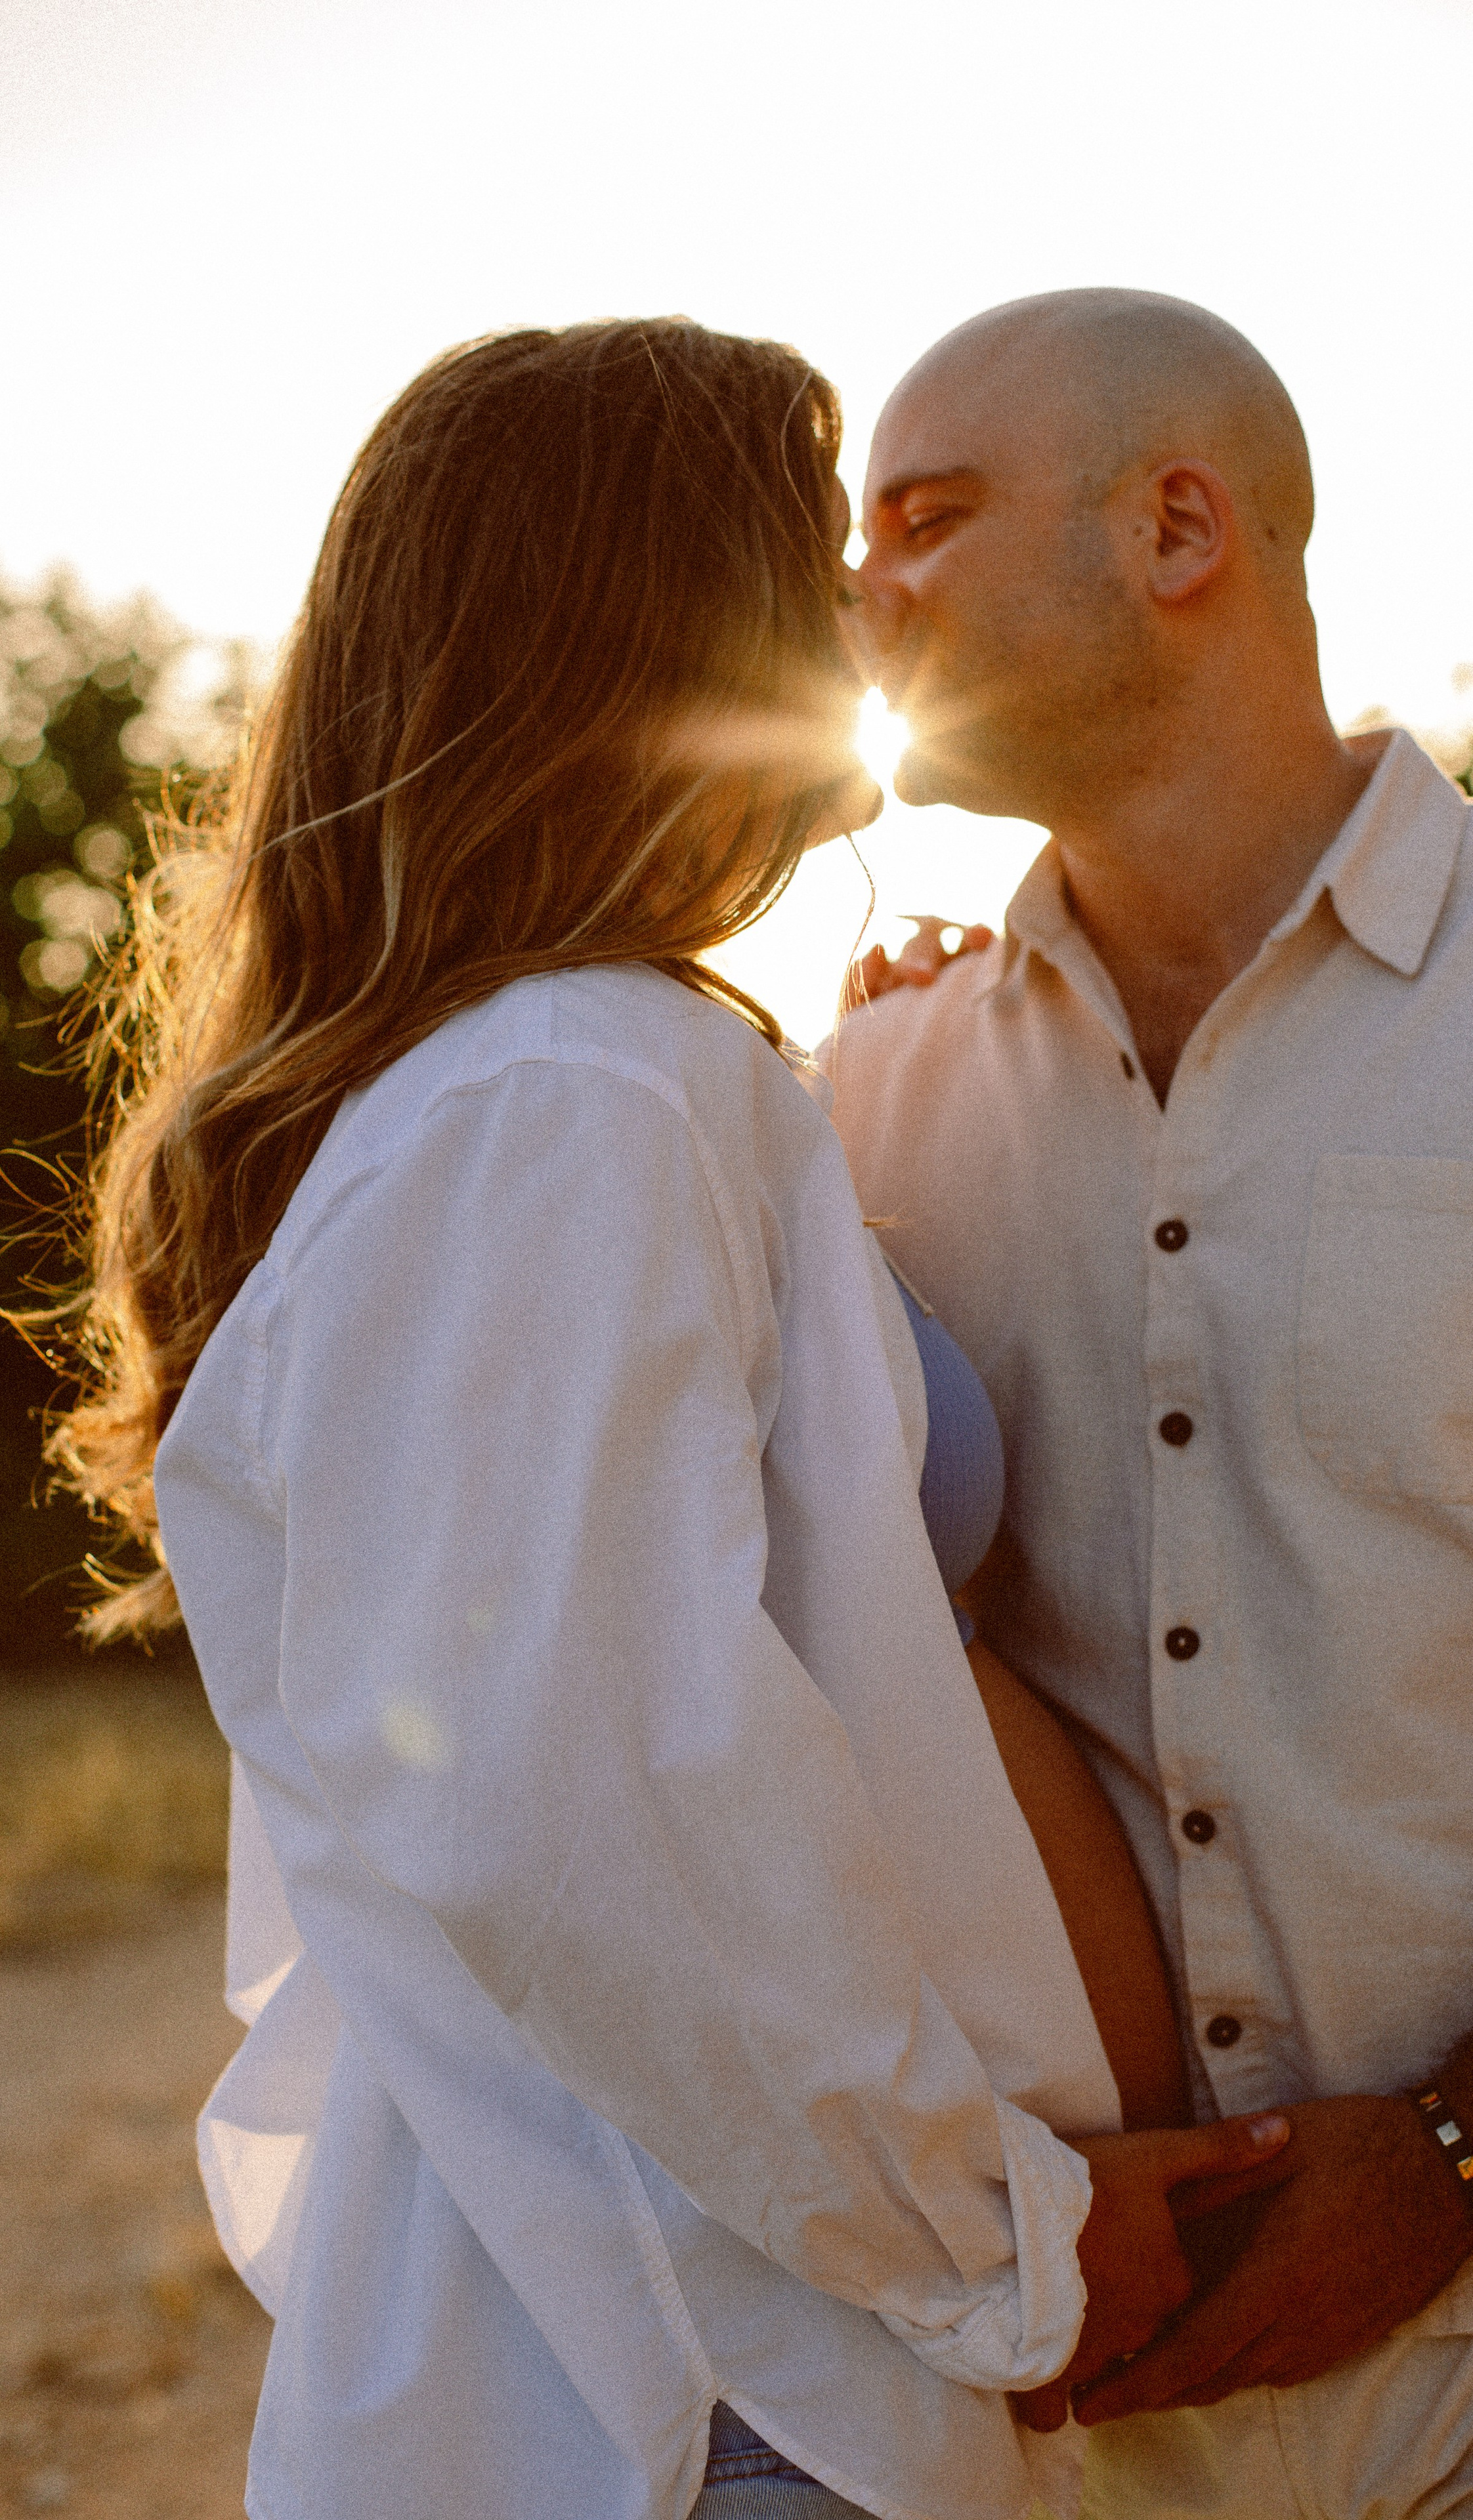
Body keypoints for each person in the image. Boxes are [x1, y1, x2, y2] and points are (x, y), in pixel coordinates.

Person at [35, 318, 1287, 2520]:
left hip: (757, 2356)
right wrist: (1002, 2243)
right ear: (657, 621)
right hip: (704, 2389)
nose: (865, 614)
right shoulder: (567, 1091)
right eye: (814, 554)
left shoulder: (584, 1084)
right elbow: (579, 1791)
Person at [827, 287, 1473, 2517]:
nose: (854, 591)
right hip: (1075, 2414)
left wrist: (1459, 2148)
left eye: (923, 519)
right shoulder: (858, 1104)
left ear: (1177, 526)